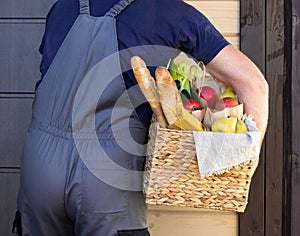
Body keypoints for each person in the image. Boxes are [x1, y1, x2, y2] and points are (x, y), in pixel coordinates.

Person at [14, 0, 269, 235]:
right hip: (107, 172)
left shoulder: (61, 7)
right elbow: (254, 84)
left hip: (40, 168)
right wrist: (244, 164)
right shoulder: (170, 11)